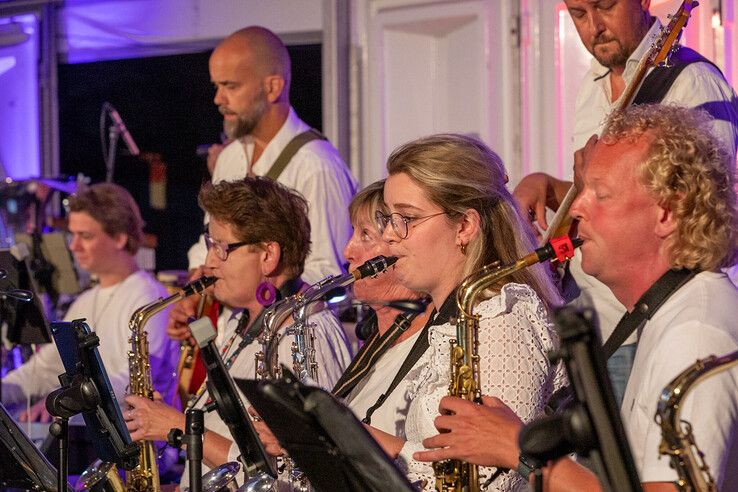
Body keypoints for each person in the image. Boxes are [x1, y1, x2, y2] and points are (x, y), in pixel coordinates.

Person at [415, 105, 738, 491]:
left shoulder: (695, 333)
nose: (576, 207)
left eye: (599, 194)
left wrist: (519, 451)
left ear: (666, 213)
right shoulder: (675, 315)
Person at [514, 0, 738, 402]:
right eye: (579, 14)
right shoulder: (591, 86)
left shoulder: (692, 82)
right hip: (589, 314)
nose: (594, 27)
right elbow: (616, 198)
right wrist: (550, 186)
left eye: (605, 6)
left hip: (644, 323)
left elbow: (701, 215)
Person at [364, 134, 566, 490]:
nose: (391, 237)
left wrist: (356, 442)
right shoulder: (459, 315)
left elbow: (494, 479)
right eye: (389, 218)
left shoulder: (504, 315)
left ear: (465, 226)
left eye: (407, 218)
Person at [124, 177, 353, 488]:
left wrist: (178, 428)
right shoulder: (237, 321)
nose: (208, 263)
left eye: (221, 248)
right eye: (209, 245)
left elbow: (299, 476)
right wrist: (165, 416)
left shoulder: (304, 334)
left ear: (268, 255)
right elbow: (227, 428)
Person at [254, 180, 433, 459]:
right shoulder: (375, 343)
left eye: (365, 235)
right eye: (353, 233)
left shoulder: (433, 346)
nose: (348, 251)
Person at [187, 25, 356, 285]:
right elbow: (210, 243)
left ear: (273, 87)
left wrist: (255, 289)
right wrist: (197, 285)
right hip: (229, 323)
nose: (218, 98)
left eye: (230, 86)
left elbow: (328, 274)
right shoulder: (229, 157)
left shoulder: (316, 166)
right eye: (216, 86)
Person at [2, 183, 178, 419]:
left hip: (136, 442)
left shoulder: (147, 297)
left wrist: (62, 401)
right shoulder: (85, 300)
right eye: (72, 235)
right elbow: (44, 369)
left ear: (119, 238)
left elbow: (133, 382)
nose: (74, 246)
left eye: (85, 236)